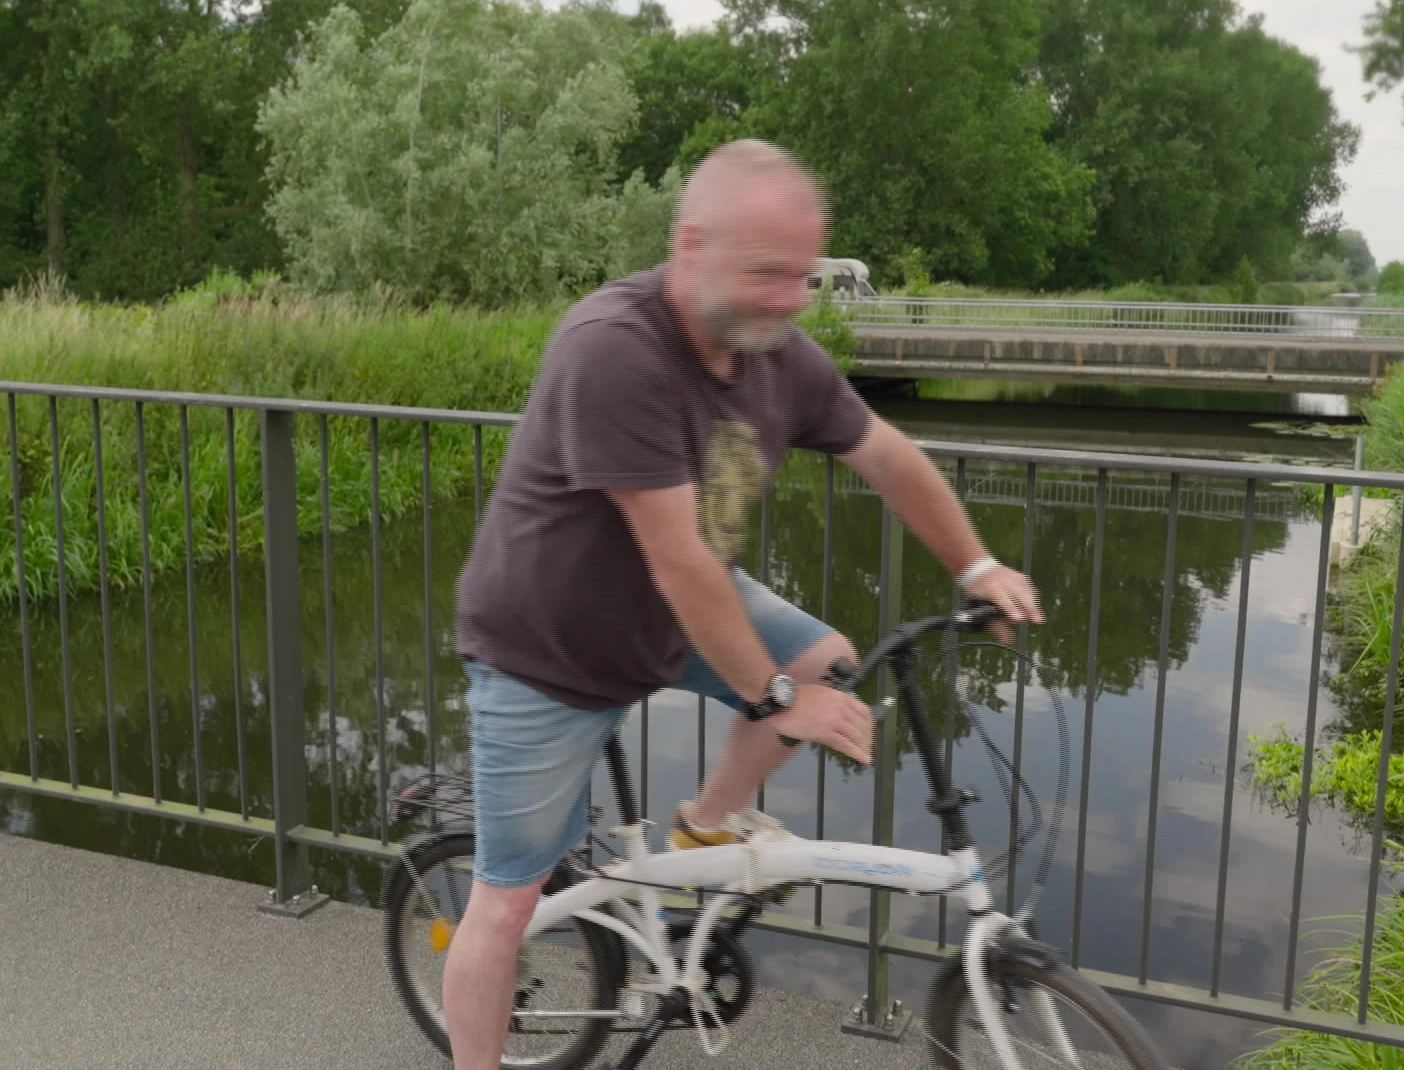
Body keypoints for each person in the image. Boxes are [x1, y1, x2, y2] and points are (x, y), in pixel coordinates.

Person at [446, 138, 1043, 1069]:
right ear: (691, 244)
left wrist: (976, 568)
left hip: (670, 611)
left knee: (828, 661)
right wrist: (772, 697)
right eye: (765, 273)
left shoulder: (779, 357)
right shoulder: (615, 349)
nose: (786, 298)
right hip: (548, 653)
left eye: (801, 276)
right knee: (506, 901)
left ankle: (706, 824)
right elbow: (679, 558)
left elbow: (884, 454)